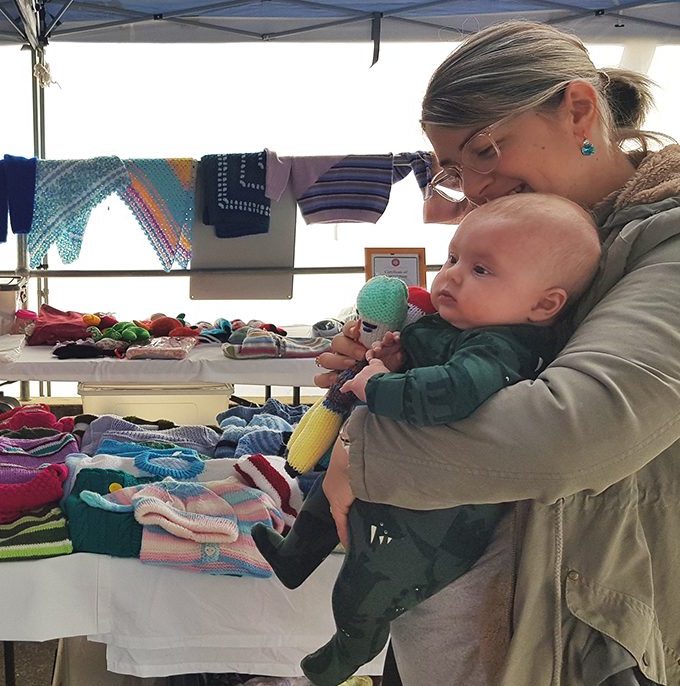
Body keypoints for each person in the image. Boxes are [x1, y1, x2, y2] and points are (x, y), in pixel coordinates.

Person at [313, 21, 680, 686]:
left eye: (485, 151)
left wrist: (362, 448)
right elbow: (490, 374)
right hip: (470, 589)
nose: (475, 187)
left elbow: (572, 431)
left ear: (576, 109)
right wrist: (392, 361)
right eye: (454, 168)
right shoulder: (539, 240)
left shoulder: (667, 245)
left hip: (589, 634)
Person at [252, 193, 600, 686]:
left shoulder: (501, 347)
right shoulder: (455, 323)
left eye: (482, 270)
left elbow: (448, 394)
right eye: (453, 258)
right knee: (319, 502)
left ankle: (349, 648)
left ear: (544, 304)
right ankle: (294, 556)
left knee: (373, 581)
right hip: (393, 471)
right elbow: (420, 354)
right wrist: (393, 354)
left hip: (432, 511)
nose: (452, 275)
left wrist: (376, 384)